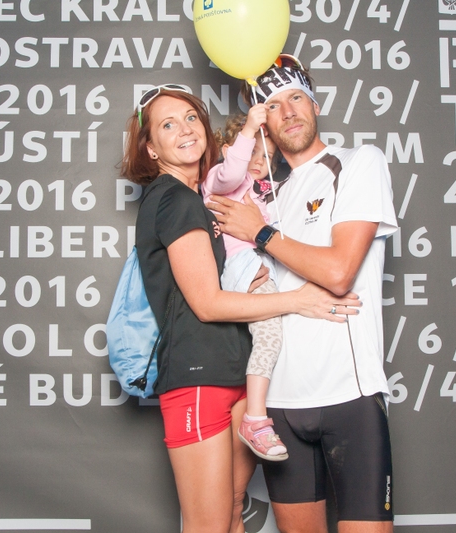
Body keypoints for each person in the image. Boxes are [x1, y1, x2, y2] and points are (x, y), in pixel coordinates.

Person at [119, 84, 362, 533]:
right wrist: (300, 300)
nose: (185, 130)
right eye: (168, 125)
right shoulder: (174, 199)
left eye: (191, 118)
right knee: (210, 525)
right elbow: (208, 304)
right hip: (198, 378)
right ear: (151, 148)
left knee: (232, 515)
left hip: (234, 374)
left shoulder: (203, 196)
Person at [208, 55, 399, 533]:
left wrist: (261, 233)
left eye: (296, 97)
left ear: (314, 105)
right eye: (273, 105)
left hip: (349, 395)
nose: (288, 111)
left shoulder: (356, 162)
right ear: (263, 124)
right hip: (278, 405)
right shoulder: (262, 196)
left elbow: (339, 272)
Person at [202, 106, 288, 461]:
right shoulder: (220, 179)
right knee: (270, 336)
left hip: (258, 264)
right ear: (229, 149)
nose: (257, 161)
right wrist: (251, 128)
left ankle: (256, 413)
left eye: (266, 157)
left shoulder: (260, 191)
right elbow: (233, 170)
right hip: (242, 267)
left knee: (272, 337)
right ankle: (255, 419)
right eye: (251, 151)